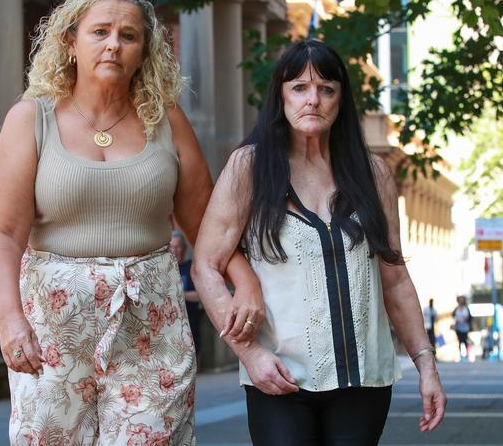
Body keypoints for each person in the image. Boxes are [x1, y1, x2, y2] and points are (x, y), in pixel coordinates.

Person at [0, 0, 264, 445]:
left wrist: (245, 277)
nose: (114, 44)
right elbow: (2, 231)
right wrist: (9, 320)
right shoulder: (32, 118)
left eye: (128, 36)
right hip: (55, 327)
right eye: (100, 32)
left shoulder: (166, 119)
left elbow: (206, 223)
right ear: (70, 42)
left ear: (143, 52)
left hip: (150, 322)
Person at [192, 39, 446, 445]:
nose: (313, 100)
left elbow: (395, 279)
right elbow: (205, 265)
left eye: (326, 89)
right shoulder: (250, 168)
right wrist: (250, 355)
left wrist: (427, 367)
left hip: (364, 380)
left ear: (341, 100)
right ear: (281, 95)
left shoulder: (373, 174)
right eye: (300, 87)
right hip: (280, 376)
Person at [169, 231, 201, 357]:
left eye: (178, 247)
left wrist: (179, 295)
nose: (175, 251)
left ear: (184, 248)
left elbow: (200, 295)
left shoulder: (191, 268)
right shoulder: (166, 270)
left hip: (190, 320)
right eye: (172, 247)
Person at [453, 295, 472, 361]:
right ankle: (461, 355)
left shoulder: (466, 308)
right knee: (460, 341)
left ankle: (467, 355)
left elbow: (469, 317)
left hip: (465, 327)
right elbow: (454, 316)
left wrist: (464, 319)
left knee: (465, 340)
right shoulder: (456, 309)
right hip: (458, 327)